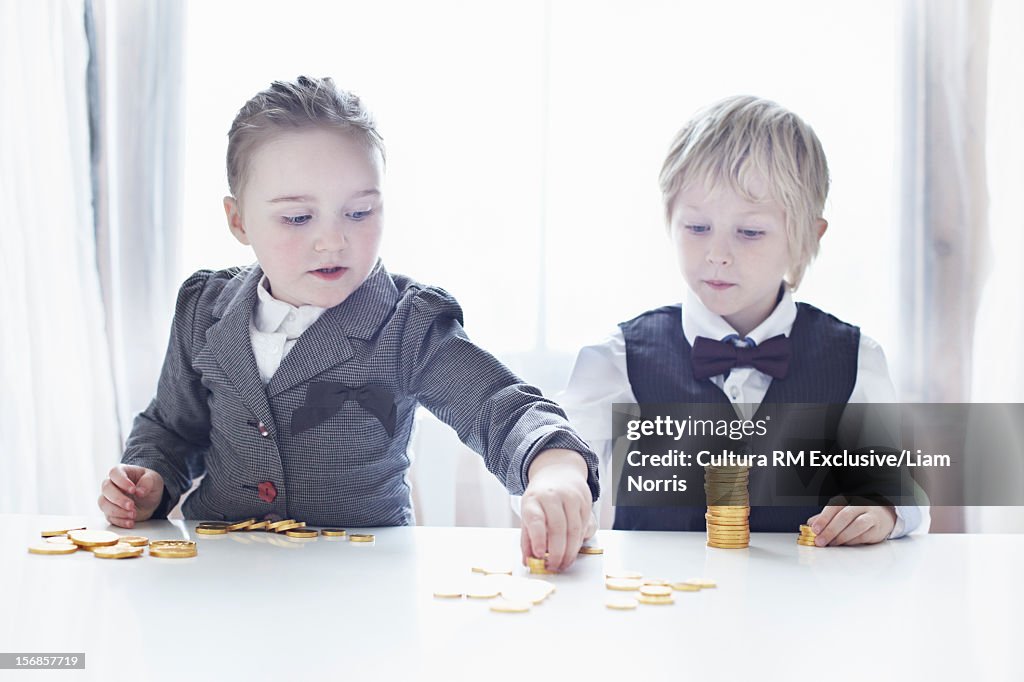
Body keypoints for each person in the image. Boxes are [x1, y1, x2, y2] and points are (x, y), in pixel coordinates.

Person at [98, 76, 597, 570]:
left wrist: (554, 465)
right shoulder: (204, 310)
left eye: (359, 212)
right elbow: (171, 428)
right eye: (297, 218)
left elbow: (498, 407)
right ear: (239, 221)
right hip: (220, 575)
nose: (333, 240)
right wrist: (151, 478)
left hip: (365, 584)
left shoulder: (408, 322)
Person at [560, 95, 928, 545]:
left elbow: (904, 491)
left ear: (806, 237)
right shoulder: (616, 358)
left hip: (804, 606)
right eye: (696, 227)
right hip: (659, 606)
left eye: (749, 232)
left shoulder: (855, 359)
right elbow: (554, 462)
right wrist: (560, 489)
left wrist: (885, 509)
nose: (717, 254)